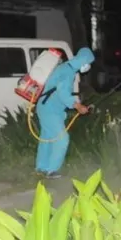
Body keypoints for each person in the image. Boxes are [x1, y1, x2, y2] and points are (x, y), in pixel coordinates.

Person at [35, 47, 95, 179]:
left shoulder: (66, 68)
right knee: (62, 139)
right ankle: (52, 170)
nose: (88, 66)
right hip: (49, 110)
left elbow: (60, 91)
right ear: (83, 60)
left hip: (47, 108)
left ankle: (41, 168)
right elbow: (63, 93)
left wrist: (76, 103)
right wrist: (77, 105)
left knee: (48, 139)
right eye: (88, 62)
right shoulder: (67, 71)